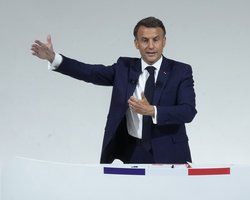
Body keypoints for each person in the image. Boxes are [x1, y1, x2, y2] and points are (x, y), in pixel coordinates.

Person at [31, 16, 197, 164]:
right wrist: (53, 58)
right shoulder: (124, 68)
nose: (151, 46)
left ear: (164, 41)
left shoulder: (181, 71)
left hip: (169, 152)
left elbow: (188, 111)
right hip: (133, 151)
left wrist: (152, 111)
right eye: (145, 40)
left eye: (156, 39)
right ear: (136, 43)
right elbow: (90, 72)